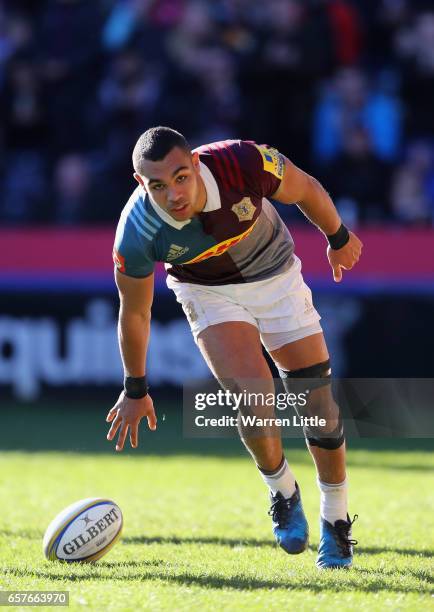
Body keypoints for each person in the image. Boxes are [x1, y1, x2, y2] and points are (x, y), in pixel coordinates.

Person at [107, 126, 363, 569]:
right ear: (140, 183)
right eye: (158, 186)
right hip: (207, 292)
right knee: (251, 397)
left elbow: (304, 188)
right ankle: (283, 492)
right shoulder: (136, 230)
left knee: (317, 404)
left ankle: (336, 521)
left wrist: (337, 237)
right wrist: (135, 388)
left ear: (196, 163)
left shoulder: (241, 161)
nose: (174, 195)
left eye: (181, 177)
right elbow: (134, 313)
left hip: (277, 275)